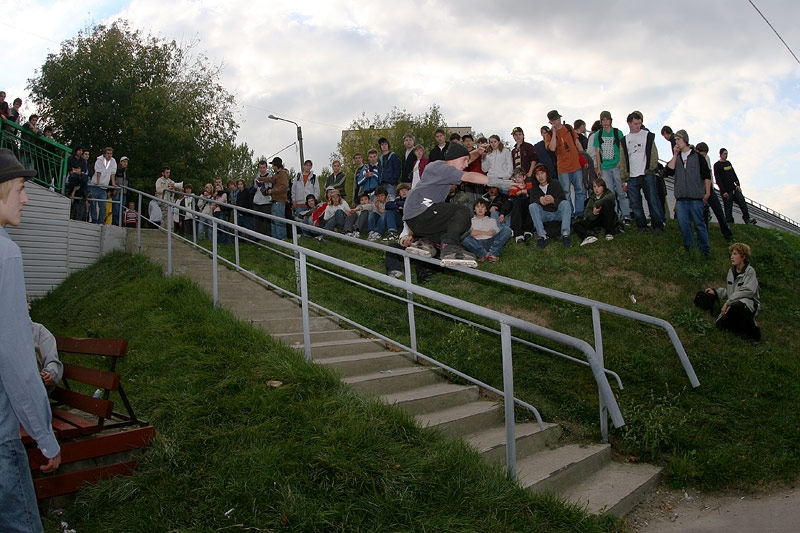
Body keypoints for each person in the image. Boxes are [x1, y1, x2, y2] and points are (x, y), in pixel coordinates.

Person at [0, 148, 61, 532]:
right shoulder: (6, 254)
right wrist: (45, 436)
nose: (25, 199)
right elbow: (17, 359)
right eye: (20, 188)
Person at [403, 143, 492, 267]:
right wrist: (502, 182)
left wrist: (477, 151)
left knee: (457, 224)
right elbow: (470, 177)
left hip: (416, 218)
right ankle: (449, 247)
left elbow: (465, 157)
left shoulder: (446, 168)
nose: (467, 165)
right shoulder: (441, 167)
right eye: (464, 161)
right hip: (420, 211)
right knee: (463, 212)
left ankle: (426, 242)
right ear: (454, 158)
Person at [665, 129, 711, 256]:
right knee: (683, 224)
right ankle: (690, 249)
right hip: (681, 199)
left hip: (696, 198)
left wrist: (707, 193)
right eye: (675, 141)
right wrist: (675, 155)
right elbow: (669, 171)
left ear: (685, 140)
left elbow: (707, 175)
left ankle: (705, 250)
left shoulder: (697, 157)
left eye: (678, 140)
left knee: (699, 224)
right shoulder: (677, 158)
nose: (677, 142)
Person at [619, 111, 665, 234]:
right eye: (635, 123)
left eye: (639, 123)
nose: (638, 126)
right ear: (629, 123)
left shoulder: (647, 135)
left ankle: (658, 225)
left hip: (646, 174)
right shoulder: (625, 140)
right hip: (632, 176)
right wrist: (624, 178)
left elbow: (654, 153)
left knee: (652, 199)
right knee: (635, 203)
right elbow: (622, 159)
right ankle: (641, 226)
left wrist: (650, 169)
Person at [705, 242, 761, 343]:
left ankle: (754, 336)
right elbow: (730, 291)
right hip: (732, 304)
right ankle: (738, 327)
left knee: (739, 305)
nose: (732, 257)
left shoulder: (750, 272)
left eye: (735, 254)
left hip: (747, 304)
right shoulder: (731, 271)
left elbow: (748, 291)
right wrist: (716, 292)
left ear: (743, 256)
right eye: (732, 254)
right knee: (720, 326)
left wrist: (727, 303)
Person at [545, 110, 585, 218]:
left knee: (580, 189)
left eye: (558, 119)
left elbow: (577, 142)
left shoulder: (568, 127)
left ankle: (580, 212)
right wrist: (553, 132)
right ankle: (570, 213)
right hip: (563, 168)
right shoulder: (548, 135)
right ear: (551, 122)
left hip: (575, 164)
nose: (558, 121)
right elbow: (552, 148)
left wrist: (583, 156)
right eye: (555, 120)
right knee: (566, 192)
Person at [593, 111, 630, 224]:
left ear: (610, 120)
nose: (605, 122)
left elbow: (623, 148)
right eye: (603, 120)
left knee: (621, 191)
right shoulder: (598, 135)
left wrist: (621, 162)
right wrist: (598, 167)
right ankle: (614, 216)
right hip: (605, 167)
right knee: (610, 193)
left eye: (607, 119)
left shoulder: (617, 132)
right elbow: (597, 152)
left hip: (616, 165)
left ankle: (626, 215)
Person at [528, 163, 572, 249]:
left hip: (556, 213)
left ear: (547, 174)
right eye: (537, 174)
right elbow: (532, 202)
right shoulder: (534, 188)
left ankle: (565, 234)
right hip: (545, 215)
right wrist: (539, 201)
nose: (540, 176)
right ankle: (542, 236)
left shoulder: (555, 183)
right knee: (532, 206)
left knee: (566, 203)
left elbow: (562, 199)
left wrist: (553, 201)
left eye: (542, 173)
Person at [695, 142, 733, 241]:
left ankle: (727, 234)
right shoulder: (694, 159)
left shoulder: (706, 158)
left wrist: (710, 188)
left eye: (705, 154)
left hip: (709, 188)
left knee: (719, 211)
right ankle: (705, 235)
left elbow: (709, 174)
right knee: (704, 212)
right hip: (700, 189)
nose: (704, 156)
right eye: (702, 154)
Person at [460, 198, 512, 262]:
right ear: (474, 209)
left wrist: (477, 232)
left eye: (482, 207)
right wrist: (486, 232)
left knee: (507, 230)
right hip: (476, 242)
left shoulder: (492, 220)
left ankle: (492, 253)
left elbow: (494, 232)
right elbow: (470, 233)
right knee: (464, 238)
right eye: (478, 207)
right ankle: (485, 255)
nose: (480, 209)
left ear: (486, 209)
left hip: (489, 242)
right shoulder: (470, 221)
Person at [714, 148, 756, 225]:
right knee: (728, 207)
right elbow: (718, 179)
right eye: (724, 154)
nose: (726, 155)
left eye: (727, 154)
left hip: (733, 188)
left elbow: (733, 174)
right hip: (726, 190)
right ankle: (729, 221)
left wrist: (738, 184)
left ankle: (747, 219)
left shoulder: (728, 163)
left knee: (742, 202)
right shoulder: (717, 165)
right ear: (720, 154)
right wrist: (723, 191)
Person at [573, 177, 617, 246]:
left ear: (603, 187)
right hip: (595, 219)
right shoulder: (591, 198)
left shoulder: (608, 194)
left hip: (606, 218)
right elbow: (587, 214)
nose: (596, 189)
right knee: (576, 224)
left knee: (607, 203)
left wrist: (597, 205)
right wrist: (593, 213)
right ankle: (588, 237)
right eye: (594, 187)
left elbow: (611, 197)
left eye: (599, 186)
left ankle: (609, 233)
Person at [90, 147, 117, 224]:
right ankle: (94, 220)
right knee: (93, 204)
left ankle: (100, 221)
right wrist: (98, 181)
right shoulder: (99, 160)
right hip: (95, 186)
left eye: (111, 153)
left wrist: (113, 183)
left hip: (104, 187)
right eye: (108, 153)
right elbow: (98, 171)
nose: (109, 155)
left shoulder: (113, 161)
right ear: (104, 154)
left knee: (103, 206)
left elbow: (113, 173)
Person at [269, 157, 290, 240]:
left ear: (276, 165)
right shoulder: (277, 175)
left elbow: (284, 186)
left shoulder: (283, 174)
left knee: (279, 220)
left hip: (280, 201)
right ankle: (275, 238)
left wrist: (273, 191)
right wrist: (260, 178)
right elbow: (270, 179)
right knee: (274, 220)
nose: (273, 167)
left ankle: (281, 238)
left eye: (273, 165)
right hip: (275, 201)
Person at [252, 159, 274, 238]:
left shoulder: (271, 177)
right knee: (257, 221)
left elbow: (273, 189)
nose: (262, 169)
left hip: (267, 202)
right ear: (258, 168)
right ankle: (258, 237)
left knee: (267, 221)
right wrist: (254, 188)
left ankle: (268, 237)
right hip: (257, 202)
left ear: (266, 168)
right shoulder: (256, 178)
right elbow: (251, 191)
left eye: (263, 167)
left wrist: (268, 188)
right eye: (260, 168)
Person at [113, 156, 130, 226]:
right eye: (124, 162)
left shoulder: (127, 171)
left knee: (121, 211)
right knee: (116, 210)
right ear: (120, 162)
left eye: (126, 162)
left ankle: (120, 224)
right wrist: (113, 189)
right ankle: (115, 224)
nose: (125, 163)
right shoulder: (116, 170)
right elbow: (113, 180)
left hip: (124, 193)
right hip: (117, 192)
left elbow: (128, 182)